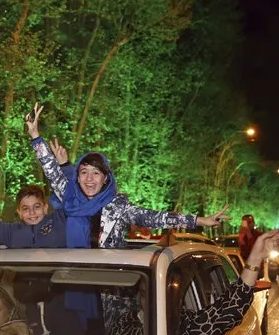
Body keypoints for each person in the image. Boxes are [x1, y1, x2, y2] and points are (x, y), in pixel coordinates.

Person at [25, 102, 230, 249]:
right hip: (72, 285)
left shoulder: (118, 207)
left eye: (96, 173)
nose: (89, 179)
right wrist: (35, 136)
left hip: (109, 293)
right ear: (77, 177)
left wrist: (200, 221)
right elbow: (50, 168)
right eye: (84, 172)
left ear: (106, 178)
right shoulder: (69, 197)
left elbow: (155, 218)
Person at [107, 229, 279, 335]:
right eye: (147, 292)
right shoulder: (123, 326)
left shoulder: (188, 327)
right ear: (139, 294)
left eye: (163, 292)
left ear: (175, 296)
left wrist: (255, 258)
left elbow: (233, 304)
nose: (153, 300)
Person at [0, 166, 67, 248]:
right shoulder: (11, 233)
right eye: (25, 208)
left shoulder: (59, 222)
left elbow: (72, 199)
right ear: (19, 212)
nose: (32, 212)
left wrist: (64, 165)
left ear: (45, 208)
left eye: (37, 207)